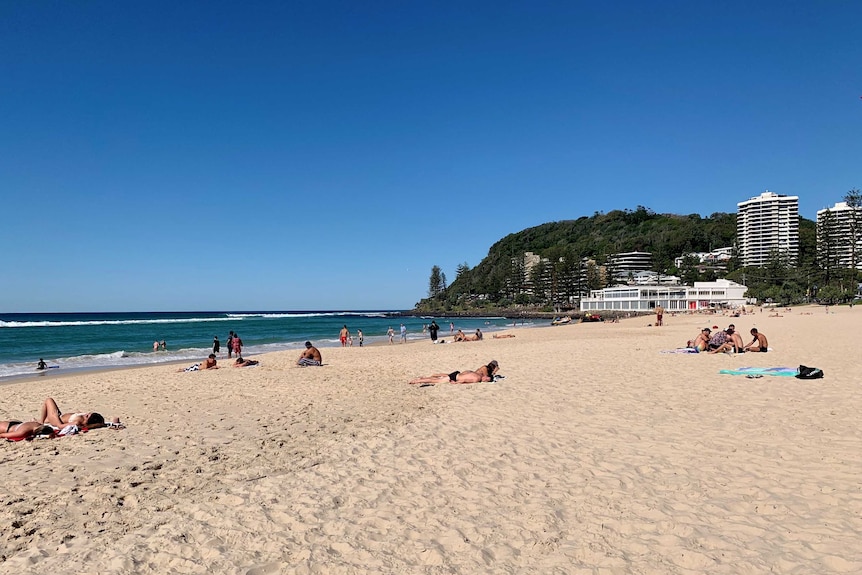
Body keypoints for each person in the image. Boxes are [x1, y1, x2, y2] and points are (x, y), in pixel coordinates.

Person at [38, 397, 114, 429]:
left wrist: (56, 417)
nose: (85, 414)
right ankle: (41, 421)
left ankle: (41, 422)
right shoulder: (82, 418)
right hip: (59, 416)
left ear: (87, 420)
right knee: (48, 406)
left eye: (87, 415)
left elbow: (60, 426)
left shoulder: (77, 422)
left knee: (48, 400)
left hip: (57, 419)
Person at [409, 360, 500, 385]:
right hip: (456, 377)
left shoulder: (480, 374)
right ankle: (417, 381)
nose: (485, 380)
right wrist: (456, 383)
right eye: (486, 380)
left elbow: (466, 378)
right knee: (436, 381)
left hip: (457, 374)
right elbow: (465, 381)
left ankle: (422, 379)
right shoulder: (478, 378)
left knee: (439, 379)